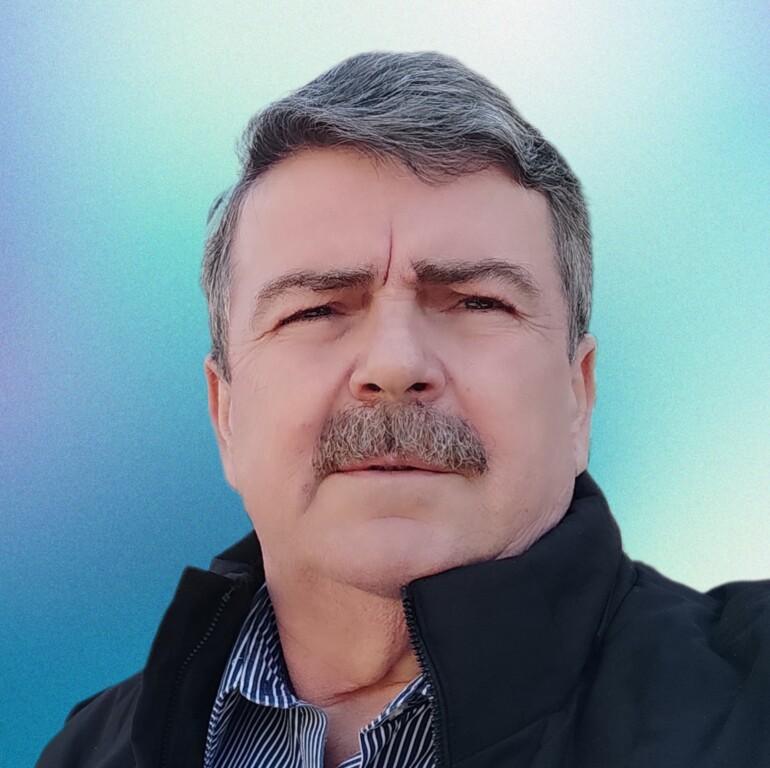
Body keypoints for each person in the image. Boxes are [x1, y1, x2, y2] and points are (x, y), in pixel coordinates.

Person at [36, 50, 769, 768]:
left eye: (477, 302)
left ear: (578, 394)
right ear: (224, 411)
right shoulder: (85, 752)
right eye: (317, 310)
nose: (394, 365)